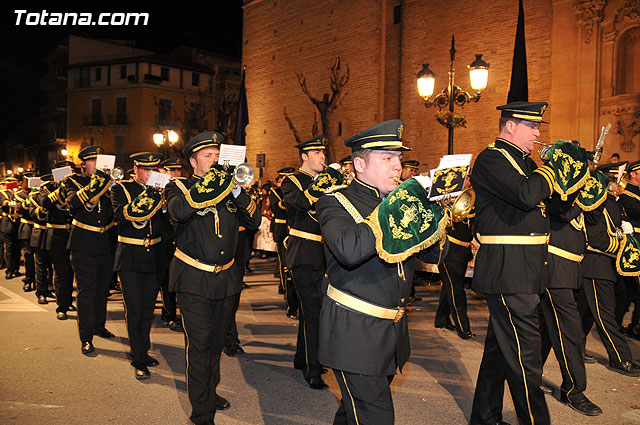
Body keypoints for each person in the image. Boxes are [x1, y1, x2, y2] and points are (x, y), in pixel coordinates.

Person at [317, 119, 448, 424]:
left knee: (354, 414)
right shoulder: (335, 202)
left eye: (398, 159)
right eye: (387, 158)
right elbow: (348, 250)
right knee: (375, 416)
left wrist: (436, 216)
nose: (397, 167)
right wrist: (396, 207)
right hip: (353, 332)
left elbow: (435, 255)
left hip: (391, 329)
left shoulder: (396, 202)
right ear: (359, 164)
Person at [469, 101, 557, 425]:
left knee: (499, 351)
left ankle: (484, 417)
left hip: (526, 269)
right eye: (531, 126)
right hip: (508, 270)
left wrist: (570, 181)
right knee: (526, 359)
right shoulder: (491, 159)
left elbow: (554, 211)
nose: (537, 133)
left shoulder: (528, 163)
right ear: (510, 126)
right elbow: (525, 195)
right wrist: (552, 169)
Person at [164, 131, 260, 424]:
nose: (215, 160)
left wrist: (234, 191)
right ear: (193, 161)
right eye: (209, 156)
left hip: (226, 278)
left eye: (218, 156)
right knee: (200, 344)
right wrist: (212, 186)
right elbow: (179, 212)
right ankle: (202, 409)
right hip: (193, 277)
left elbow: (254, 220)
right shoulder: (178, 186)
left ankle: (210, 391)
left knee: (217, 342)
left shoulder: (230, 189)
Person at [538, 194, 601, 415]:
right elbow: (560, 212)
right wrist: (583, 197)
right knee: (569, 330)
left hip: (570, 266)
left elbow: (593, 222)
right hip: (555, 264)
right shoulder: (558, 184)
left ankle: (530, 378)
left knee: (546, 328)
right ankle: (573, 391)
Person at [578, 161, 640, 377]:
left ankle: (574, 350)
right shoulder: (598, 203)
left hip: (605, 267)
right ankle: (621, 359)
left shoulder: (613, 202)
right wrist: (622, 241)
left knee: (585, 314)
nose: (618, 184)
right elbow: (596, 239)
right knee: (605, 316)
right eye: (614, 180)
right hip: (596, 265)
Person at [281, 135, 331, 389]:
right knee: (313, 312)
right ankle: (313, 368)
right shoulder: (291, 181)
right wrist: (323, 185)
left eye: (324, 153)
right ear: (304, 156)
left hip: (324, 254)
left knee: (312, 311)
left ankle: (303, 358)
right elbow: (301, 202)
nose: (323, 157)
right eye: (317, 153)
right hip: (303, 253)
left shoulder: (322, 182)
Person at [111, 152, 165, 380]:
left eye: (154, 170)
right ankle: (138, 359)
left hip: (153, 255)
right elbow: (122, 216)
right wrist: (151, 196)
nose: (150, 174)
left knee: (148, 309)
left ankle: (143, 348)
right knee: (134, 309)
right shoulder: (121, 189)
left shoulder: (161, 191)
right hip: (131, 256)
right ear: (135, 169)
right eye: (145, 170)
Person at [63, 145, 116, 355]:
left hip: (106, 241)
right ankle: (86, 336)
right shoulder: (73, 181)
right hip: (83, 243)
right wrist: (97, 184)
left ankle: (99, 326)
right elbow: (73, 202)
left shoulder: (112, 183)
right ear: (84, 164)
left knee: (103, 289)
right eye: (94, 161)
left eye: (102, 160)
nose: (99, 165)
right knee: (86, 291)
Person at [434, 177, 475, 339]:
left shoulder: (469, 197)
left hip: (462, 251)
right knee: (456, 291)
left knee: (449, 288)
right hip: (449, 251)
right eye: (466, 178)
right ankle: (463, 328)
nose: (469, 181)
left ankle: (441, 319)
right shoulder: (445, 199)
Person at [42, 161, 76, 320]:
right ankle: (61, 306)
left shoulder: (75, 187)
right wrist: (60, 188)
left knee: (71, 272)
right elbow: (45, 204)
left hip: (73, 234)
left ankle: (68, 300)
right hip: (57, 234)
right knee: (61, 272)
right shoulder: (48, 188)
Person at [157, 157, 183, 331]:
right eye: (171, 170)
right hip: (164, 240)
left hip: (180, 239)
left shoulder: (183, 188)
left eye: (178, 170)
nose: (175, 173)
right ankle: (169, 313)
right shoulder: (158, 188)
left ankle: (179, 312)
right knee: (166, 279)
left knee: (180, 279)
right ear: (163, 172)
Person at [269, 167, 298, 319]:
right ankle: (286, 292)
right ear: (279, 180)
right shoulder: (275, 192)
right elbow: (279, 207)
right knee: (284, 264)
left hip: (293, 229)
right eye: (284, 179)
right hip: (281, 230)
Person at [617, 160, 640, 338]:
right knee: (626, 291)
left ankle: (635, 325)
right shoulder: (626, 193)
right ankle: (616, 324)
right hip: (632, 247)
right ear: (633, 174)